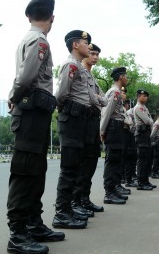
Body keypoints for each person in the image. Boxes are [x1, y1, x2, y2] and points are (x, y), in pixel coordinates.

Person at [6, 0, 63, 254]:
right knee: (26, 173)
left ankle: (33, 223)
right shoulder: (39, 41)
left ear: (28, 16)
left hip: (34, 114)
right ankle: (18, 235)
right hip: (30, 113)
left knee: (36, 171)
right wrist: (13, 96)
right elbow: (26, 76)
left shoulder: (28, 39)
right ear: (52, 18)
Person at [53, 30, 94, 229]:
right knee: (69, 168)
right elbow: (61, 93)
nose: (89, 46)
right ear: (75, 45)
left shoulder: (78, 67)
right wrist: (65, 110)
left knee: (75, 166)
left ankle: (67, 210)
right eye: (86, 43)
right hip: (72, 117)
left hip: (79, 118)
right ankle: (61, 213)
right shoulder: (70, 65)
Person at [72, 43, 106, 214]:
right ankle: (76, 201)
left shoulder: (92, 78)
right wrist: (98, 98)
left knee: (91, 161)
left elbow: (104, 100)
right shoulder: (80, 72)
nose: (95, 57)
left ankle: (85, 198)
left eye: (97, 54)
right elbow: (94, 99)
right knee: (83, 161)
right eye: (92, 53)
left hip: (94, 119)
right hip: (84, 119)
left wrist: (98, 98)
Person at [100, 67, 129, 204]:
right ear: (121, 77)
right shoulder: (115, 92)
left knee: (116, 160)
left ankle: (114, 190)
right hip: (113, 128)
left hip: (117, 129)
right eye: (126, 76)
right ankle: (109, 193)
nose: (127, 79)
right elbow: (107, 112)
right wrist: (102, 130)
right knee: (112, 161)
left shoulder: (116, 92)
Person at [134, 89, 155, 190]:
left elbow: (151, 121)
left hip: (146, 135)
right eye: (143, 96)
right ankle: (141, 183)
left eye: (146, 96)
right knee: (142, 160)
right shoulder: (138, 108)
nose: (145, 98)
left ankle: (146, 181)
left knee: (147, 159)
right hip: (141, 135)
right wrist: (151, 121)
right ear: (139, 96)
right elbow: (148, 121)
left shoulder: (144, 108)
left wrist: (151, 121)